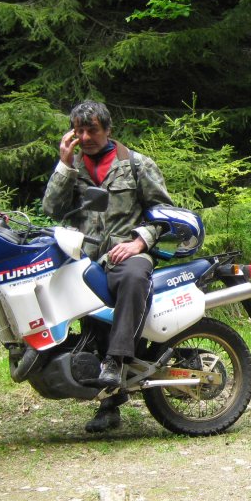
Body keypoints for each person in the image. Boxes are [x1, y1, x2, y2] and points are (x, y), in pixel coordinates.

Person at [42, 100, 173, 433]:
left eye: (93, 130)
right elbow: (52, 209)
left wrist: (139, 242)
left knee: (134, 278)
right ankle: (108, 404)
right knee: (93, 324)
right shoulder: (73, 167)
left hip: (127, 254)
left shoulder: (137, 165)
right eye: (79, 131)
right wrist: (63, 164)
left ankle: (116, 361)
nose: (86, 137)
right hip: (84, 258)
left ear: (108, 130)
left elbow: (164, 214)